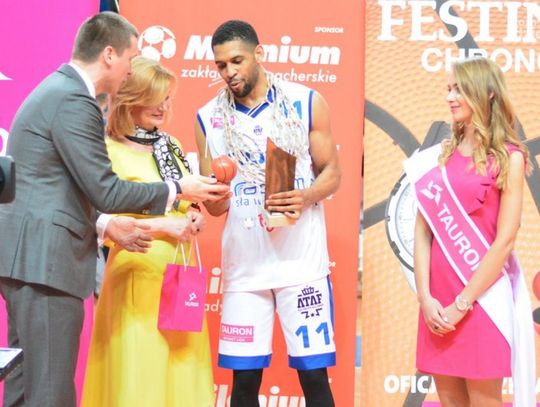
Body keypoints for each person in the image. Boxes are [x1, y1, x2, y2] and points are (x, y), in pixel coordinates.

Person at [0, 12, 227, 407]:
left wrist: (110, 223)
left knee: (26, 387)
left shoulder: (59, 91)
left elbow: (66, 189)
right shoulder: (74, 100)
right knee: (49, 392)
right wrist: (178, 189)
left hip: (32, 259)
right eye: (131, 58)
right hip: (46, 261)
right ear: (109, 54)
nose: (131, 70)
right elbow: (105, 190)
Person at [195, 20, 341, 406]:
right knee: (244, 383)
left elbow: (332, 173)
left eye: (237, 61)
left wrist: (305, 196)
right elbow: (216, 207)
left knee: (314, 378)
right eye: (221, 65)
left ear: (258, 54)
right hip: (246, 269)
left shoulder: (305, 101)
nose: (229, 72)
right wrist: (215, 190)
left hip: (301, 264)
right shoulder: (208, 117)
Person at [407, 57, 535, 406]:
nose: (449, 97)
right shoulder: (438, 157)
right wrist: (425, 297)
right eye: (449, 89)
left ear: (487, 93)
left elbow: (505, 241)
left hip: (483, 301)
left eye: (459, 89)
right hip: (437, 304)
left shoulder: (509, 158)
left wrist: (462, 304)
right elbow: (422, 231)